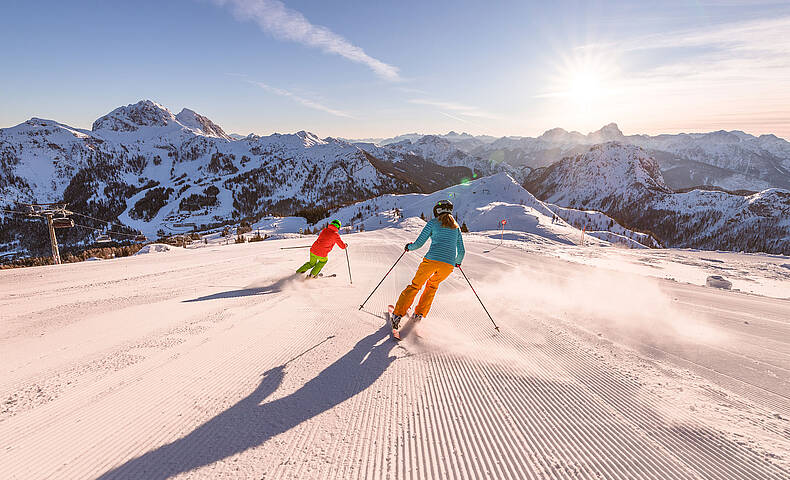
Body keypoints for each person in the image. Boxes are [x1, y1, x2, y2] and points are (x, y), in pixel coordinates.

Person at [391, 200, 464, 330]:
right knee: (432, 287)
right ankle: (419, 314)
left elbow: (419, 244)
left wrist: (409, 247)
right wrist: (457, 262)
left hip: (431, 260)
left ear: (437, 210)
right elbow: (462, 251)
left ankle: (397, 315)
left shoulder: (433, 223)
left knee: (415, 286)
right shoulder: (456, 227)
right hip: (448, 266)